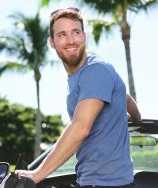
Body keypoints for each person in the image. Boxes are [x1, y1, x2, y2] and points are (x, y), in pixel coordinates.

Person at [15, 8, 141, 188]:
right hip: (91, 181)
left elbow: (80, 127)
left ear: (84, 36)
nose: (71, 40)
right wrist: (136, 117)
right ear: (52, 42)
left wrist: (36, 174)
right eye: (62, 35)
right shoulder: (86, 75)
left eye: (76, 32)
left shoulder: (95, 71)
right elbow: (123, 94)